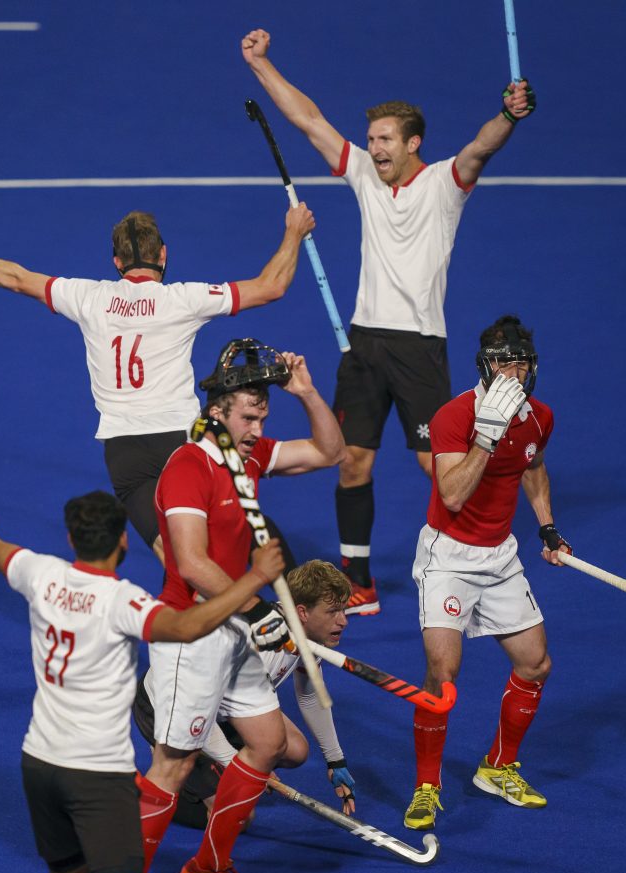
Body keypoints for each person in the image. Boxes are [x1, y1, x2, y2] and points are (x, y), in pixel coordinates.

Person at [0, 441, 287, 873]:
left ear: (71, 541)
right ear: (123, 542)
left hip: (38, 763)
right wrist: (253, 582)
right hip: (96, 775)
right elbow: (187, 627)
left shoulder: (41, 574)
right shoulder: (125, 602)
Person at [241, 27, 537, 615]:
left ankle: (472, 554)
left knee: (438, 464)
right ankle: (360, 580)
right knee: (352, 461)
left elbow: (482, 146)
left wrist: (509, 113)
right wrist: (261, 64)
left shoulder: (443, 185)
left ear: (412, 144)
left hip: (420, 347)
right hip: (364, 344)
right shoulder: (362, 177)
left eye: (383, 139)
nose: (373, 147)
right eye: (371, 138)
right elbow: (310, 120)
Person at [0, 199, 316, 564]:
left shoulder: (89, 297)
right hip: (183, 441)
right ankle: (298, 609)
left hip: (124, 454)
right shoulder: (185, 299)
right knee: (239, 525)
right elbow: (271, 286)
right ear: (163, 255)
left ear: (116, 263)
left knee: (182, 565)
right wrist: (293, 232)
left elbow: (16, 278)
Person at [138, 339, 344, 873]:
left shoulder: (245, 457)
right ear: (220, 407)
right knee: (173, 766)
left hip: (236, 630)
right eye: (249, 416)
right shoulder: (188, 467)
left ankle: (206, 868)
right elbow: (192, 563)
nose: (257, 428)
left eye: (263, 417)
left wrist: (305, 393)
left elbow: (330, 452)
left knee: (269, 742)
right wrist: (257, 611)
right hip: (193, 632)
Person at [401, 315, 568, 831]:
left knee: (535, 663)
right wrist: (488, 437)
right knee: (442, 676)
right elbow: (451, 494)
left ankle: (498, 766)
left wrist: (547, 529)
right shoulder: (454, 416)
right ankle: (427, 785)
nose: (512, 373)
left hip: (500, 557)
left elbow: (534, 467)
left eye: (520, 362)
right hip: (447, 557)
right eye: (502, 362)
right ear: (485, 365)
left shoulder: (539, 417)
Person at [133, 559, 357, 830]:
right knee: (239, 816)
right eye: (333, 611)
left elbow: (309, 697)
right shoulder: (256, 644)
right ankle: (157, 783)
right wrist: (239, 767)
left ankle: (201, 769)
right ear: (303, 612)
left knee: (295, 750)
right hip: (172, 708)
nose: (343, 621)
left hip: (225, 710)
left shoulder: (306, 639)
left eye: (344, 610)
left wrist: (335, 759)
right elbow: (199, 712)